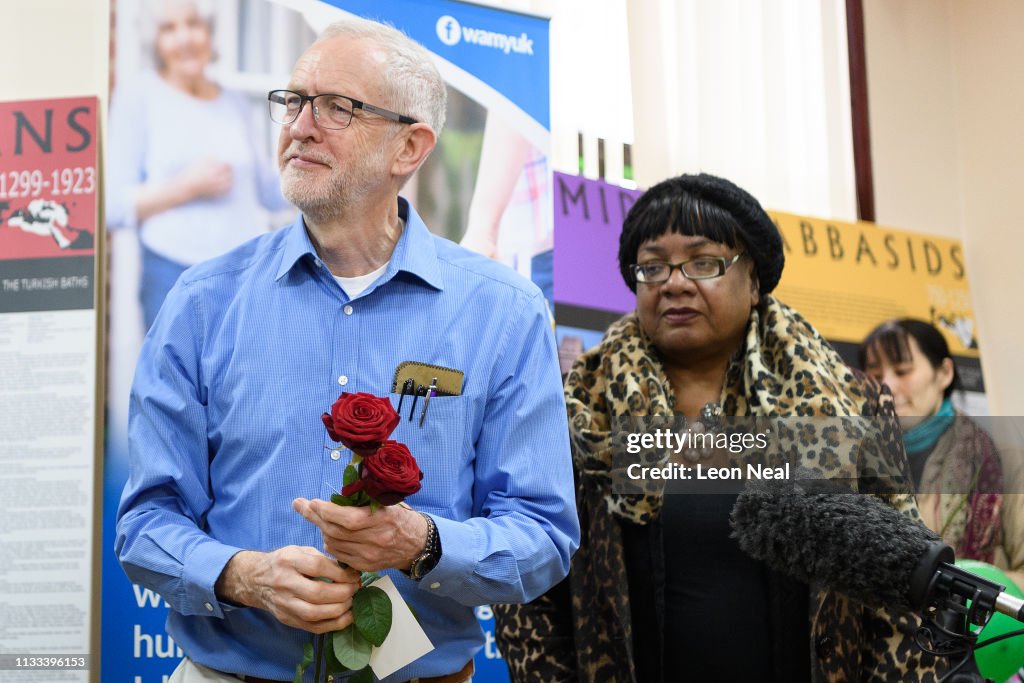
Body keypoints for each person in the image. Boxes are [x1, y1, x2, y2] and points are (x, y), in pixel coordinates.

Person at [115, 15, 578, 683]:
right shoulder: (201, 302)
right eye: (293, 101)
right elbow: (145, 521)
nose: (300, 125)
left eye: (337, 107)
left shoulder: (502, 314)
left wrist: (424, 544)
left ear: (410, 148)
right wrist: (246, 575)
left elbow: (543, 534)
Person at [494, 173, 941, 681]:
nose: (674, 283)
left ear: (753, 281)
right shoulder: (579, 407)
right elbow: (531, 590)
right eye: (653, 267)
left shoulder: (850, 400)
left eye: (704, 263)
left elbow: (896, 579)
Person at [106, 0, 291, 329]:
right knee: (178, 380)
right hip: (173, 274)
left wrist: (313, 165)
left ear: (209, 32)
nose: (186, 38)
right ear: (156, 42)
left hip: (245, 274)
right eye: (169, 29)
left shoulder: (233, 103)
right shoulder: (140, 97)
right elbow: (114, 207)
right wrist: (186, 187)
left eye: (194, 24)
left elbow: (269, 192)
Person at [859, 318, 1024, 587]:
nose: (885, 387)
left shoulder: (1004, 461)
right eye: (875, 376)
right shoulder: (853, 465)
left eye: (902, 371)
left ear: (944, 373)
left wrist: (961, 589)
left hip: (976, 627)